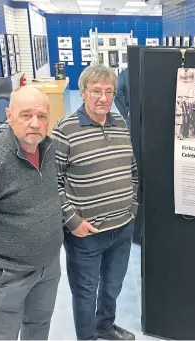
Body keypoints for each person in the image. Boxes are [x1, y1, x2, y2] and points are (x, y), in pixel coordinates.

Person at [52, 64, 138, 341]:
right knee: (86, 291)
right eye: (96, 91)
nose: (103, 98)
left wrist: (132, 207)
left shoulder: (121, 123)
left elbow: (132, 169)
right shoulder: (65, 129)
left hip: (122, 227)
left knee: (112, 286)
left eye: (109, 92)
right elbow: (52, 182)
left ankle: (105, 327)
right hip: (85, 233)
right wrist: (72, 221)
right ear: (84, 92)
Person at [0, 87, 63, 340]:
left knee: (39, 325)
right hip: (8, 273)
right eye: (26, 115)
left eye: (42, 116)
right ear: (9, 116)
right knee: (4, 335)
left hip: (48, 265)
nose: (35, 123)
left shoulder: (49, 147)